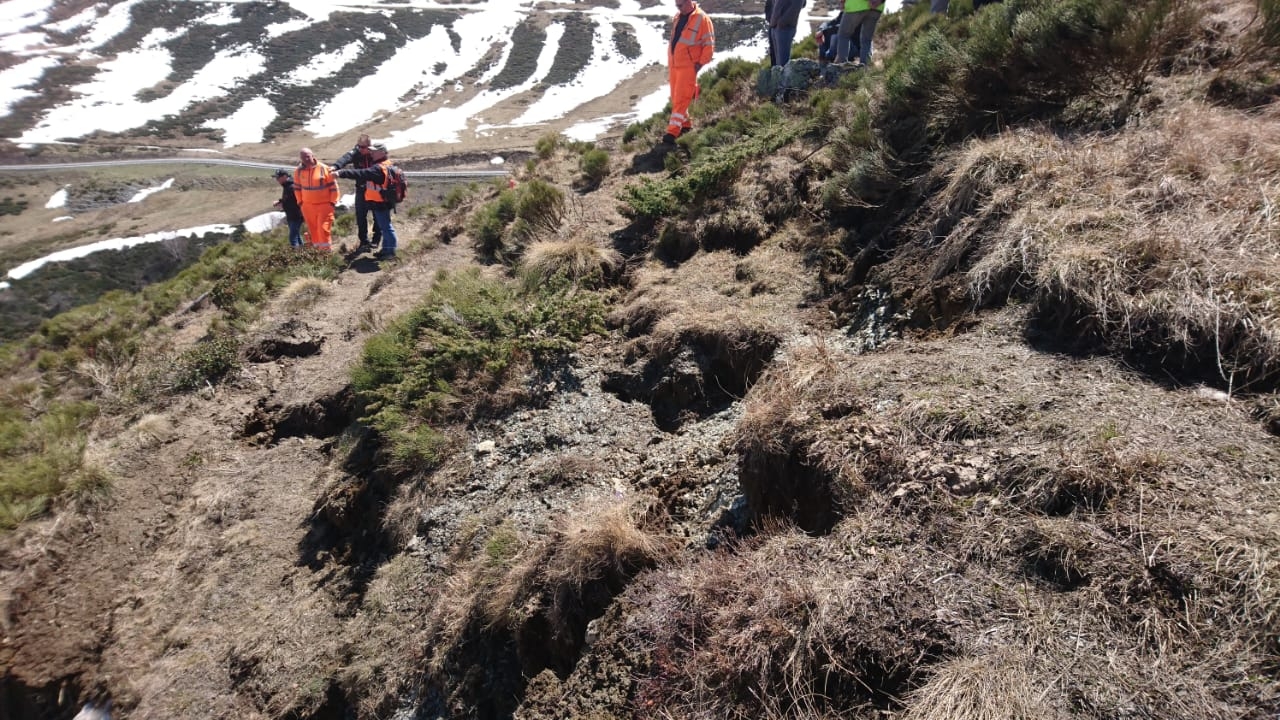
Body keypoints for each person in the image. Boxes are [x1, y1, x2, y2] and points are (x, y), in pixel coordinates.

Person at [334, 144, 400, 260]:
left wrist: (341, 173)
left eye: (374, 151)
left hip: (380, 201)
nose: (372, 153)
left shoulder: (378, 168)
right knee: (385, 226)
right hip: (384, 200)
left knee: (386, 227)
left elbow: (361, 173)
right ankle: (386, 250)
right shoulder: (387, 164)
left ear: (382, 152)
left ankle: (390, 253)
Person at [663, 0, 714, 145]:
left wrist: (698, 65)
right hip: (675, 65)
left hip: (688, 67)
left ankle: (672, 132)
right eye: (676, 5)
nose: (678, 8)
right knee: (675, 97)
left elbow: (709, 45)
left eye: (680, 5)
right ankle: (685, 125)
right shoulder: (678, 17)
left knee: (681, 98)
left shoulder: (702, 19)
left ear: (689, 2)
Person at [330, 133, 382, 252]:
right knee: (360, 216)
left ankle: (376, 240)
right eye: (360, 147)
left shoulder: (375, 153)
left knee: (377, 216)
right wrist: (335, 166)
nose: (363, 150)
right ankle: (363, 241)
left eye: (365, 147)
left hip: (375, 190)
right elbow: (345, 158)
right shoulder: (355, 152)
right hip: (361, 189)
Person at [293, 147, 338, 252]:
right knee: (313, 230)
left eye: (308, 156)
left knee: (323, 229)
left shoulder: (324, 168)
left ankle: (326, 252)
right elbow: (297, 188)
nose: (306, 159)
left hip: (325, 205)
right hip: (307, 206)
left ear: (313, 156)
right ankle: (318, 252)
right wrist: (300, 202)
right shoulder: (298, 171)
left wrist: (332, 202)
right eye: (303, 157)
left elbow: (334, 187)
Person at [835, 0, 882, 67]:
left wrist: (843, 1)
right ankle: (865, 67)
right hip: (877, 7)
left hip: (856, 5)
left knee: (844, 35)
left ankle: (842, 64)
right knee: (867, 39)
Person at [271, 168, 305, 248]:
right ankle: (303, 252)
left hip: (296, 215)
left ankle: (297, 257)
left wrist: (283, 204)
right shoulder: (287, 186)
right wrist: (280, 202)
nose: (277, 180)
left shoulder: (292, 186)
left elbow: (297, 201)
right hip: (292, 215)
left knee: (292, 238)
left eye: (278, 178)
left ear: (285, 176)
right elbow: (288, 199)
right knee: (296, 235)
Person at [768, 0, 806, 68]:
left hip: (785, 28)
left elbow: (797, 6)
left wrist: (782, 22)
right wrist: (773, 22)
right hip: (775, 27)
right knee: (778, 64)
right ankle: (779, 78)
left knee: (783, 64)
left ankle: (784, 78)